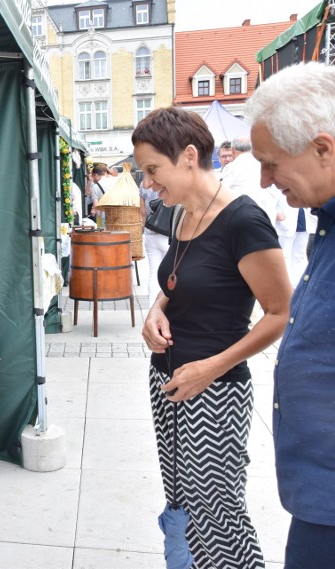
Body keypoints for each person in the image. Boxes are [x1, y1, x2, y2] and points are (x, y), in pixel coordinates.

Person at [134, 107, 291, 568]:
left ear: (187, 156)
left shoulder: (243, 220)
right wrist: (155, 311)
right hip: (168, 382)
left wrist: (214, 366)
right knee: (182, 504)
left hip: (216, 394)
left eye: (152, 170)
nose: (147, 183)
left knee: (219, 518)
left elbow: (280, 312)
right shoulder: (183, 214)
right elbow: (179, 283)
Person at [246, 61, 335, 569]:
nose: (264, 178)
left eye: (271, 162)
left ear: (322, 148)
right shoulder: (324, 222)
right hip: (317, 495)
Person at [221, 136, 281, 226]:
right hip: (267, 217)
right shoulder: (263, 165)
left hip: (245, 218)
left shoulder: (232, 167)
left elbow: (220, 193)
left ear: (233, 150)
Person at [139, 183, 169, 307]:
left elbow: (142, 211)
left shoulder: (143, 184)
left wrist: (143, 229)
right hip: (168, 233)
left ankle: (153, 307)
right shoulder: (167, 180)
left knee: (153, 272)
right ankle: (168, 307)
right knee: (172, 271)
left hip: (150, 232)